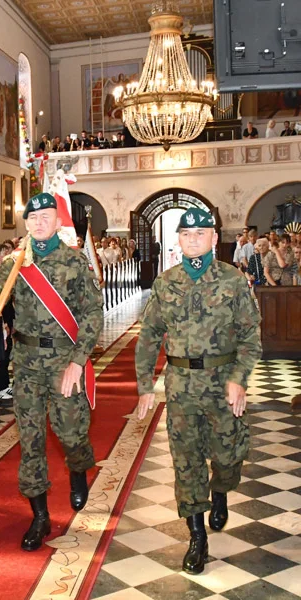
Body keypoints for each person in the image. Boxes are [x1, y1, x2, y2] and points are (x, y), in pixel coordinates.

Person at [135, 208, 261, 574]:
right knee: (186, 462)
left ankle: (220, 489)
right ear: (179, 239)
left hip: (223, 384)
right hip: (181, 388)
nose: (193, 239)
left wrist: (239, 378)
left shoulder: (233, 280)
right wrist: (145, 384)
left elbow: (251, 337)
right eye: (186, 234)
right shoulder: (166, 282)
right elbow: (148, 337)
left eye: (200, 233)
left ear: (212, 237)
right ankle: (197, 537)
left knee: (229, 455)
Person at [0, 193, 103, 552]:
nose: (39, 223)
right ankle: (40, 516)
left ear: (57, 220)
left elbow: (93, 314)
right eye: (33, 218)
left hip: (65, 360)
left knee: (71, 434)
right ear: (26, 223)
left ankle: (78, 469)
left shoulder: (75, 262)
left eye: (46, 217)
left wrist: (78, 361)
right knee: (30, 440)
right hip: (27, 363)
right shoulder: (16, 263)